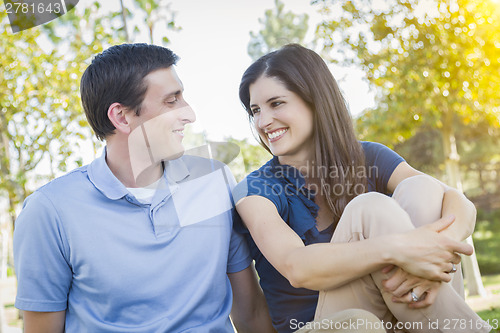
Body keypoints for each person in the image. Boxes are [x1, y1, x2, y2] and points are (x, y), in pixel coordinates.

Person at [13, 43, 275, 333]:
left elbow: (249, 313)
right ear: (122, 117)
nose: (189, 114)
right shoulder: (49, 210)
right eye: (171, 101)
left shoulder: (213, 179)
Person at [233, 44, 492, 333]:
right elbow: (297, 267)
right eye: (255, 110)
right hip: (324, 325)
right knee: (369, 208)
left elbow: (458, 203)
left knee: (422, 188)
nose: (263, 121)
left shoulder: (369, 156)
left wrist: (432, 255)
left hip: (393, 312)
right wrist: (401, 248)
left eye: (276, 103)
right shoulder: (254, 189)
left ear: (314, 100)